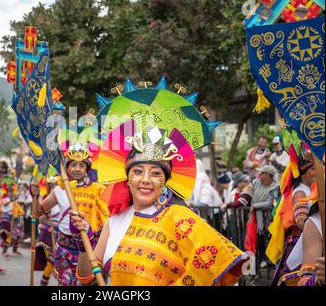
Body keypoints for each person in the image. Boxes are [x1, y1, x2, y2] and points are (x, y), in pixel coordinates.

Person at [71, 122, 248, 286]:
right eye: (138, 172)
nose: (146, 180)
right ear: (128, 179)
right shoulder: (115, 220)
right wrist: (83, 244)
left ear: (165, 181)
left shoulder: (180, 218)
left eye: (156, 173)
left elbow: (218, 264)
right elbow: (88, 278)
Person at [40, 142, 109, 286]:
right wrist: (35, 195)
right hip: (65, 247)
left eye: (81, 165)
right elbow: (38, 212)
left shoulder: (98, 190)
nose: (77, 169)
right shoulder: (59, 190)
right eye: (73, 165)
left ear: (87, 169)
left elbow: (107, 218)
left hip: (90, 246)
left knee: (88, 284)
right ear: (67, 167)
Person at [271, 152, 315, 286]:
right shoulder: (300, 193)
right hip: (299, 246)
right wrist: (318, 226)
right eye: (313, 169)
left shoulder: (309, 190)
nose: (316, 172)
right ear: (304, 173)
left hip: (308, 243)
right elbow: (301, 222)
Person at [35, 176, 60, 286]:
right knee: (52, 261)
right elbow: (37, 216)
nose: (55, 190)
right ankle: (43, 283)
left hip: (61, 236)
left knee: (59, 263)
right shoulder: (46, 202)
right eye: (52, 188)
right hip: (48, 235)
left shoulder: (65, 200)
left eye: (57, 187)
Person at [0, 175, 25, 258]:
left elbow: (18, 209)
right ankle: (4, 251)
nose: (11, 193)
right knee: (7, 236)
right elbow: (5, 204)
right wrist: (11, 199)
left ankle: (15, 249)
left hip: (12, 220)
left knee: (17, 234)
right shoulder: (4, 199)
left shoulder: (13, 201)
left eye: (12, 192)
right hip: (5, 220)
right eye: (10, 192)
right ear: (7, 192)